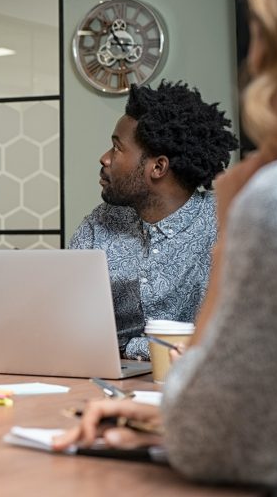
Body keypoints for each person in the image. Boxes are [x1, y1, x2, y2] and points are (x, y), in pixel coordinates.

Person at [53, 0, 277, 491]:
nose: (253, 54)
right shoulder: (101, 223)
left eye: (260, 29)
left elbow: (225, 426)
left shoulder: (267, 204)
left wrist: (236, 223)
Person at [68, 81, 237, 360]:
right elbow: (65, 320)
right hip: (104, 385)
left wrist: (128, 346)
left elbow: (225, 341)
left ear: (157, 167)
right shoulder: (100, 224)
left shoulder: (224, 226)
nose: (105, 158)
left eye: (116, 148)